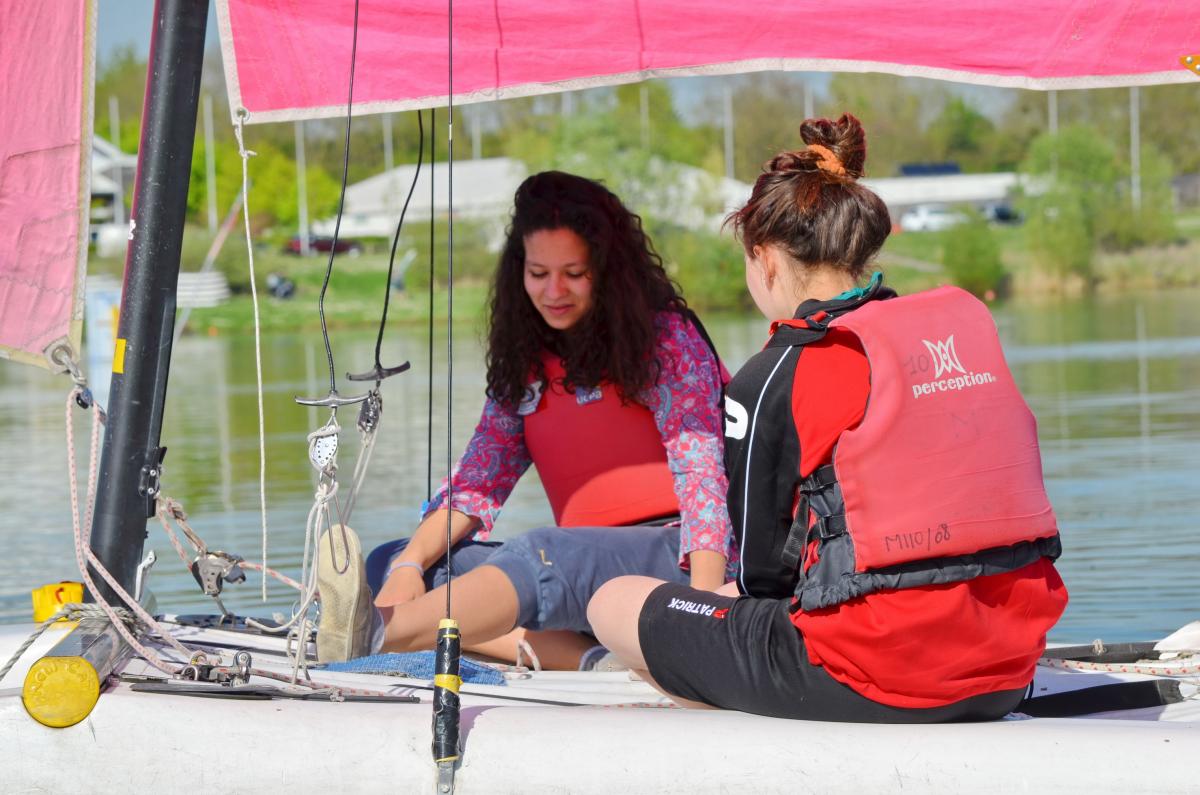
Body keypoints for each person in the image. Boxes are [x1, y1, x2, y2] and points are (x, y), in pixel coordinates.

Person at [587, 114, 1068, 721]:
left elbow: (762, 576)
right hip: (1005, 669)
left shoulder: (773, 375)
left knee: (613, 602)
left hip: (870, 677)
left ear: (764, 259)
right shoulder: (936, 342)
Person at [317, 171, 731, 667]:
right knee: (398, 561)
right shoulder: (527, 363)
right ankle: (593, 662)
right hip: (581, 568)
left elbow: (704, 480)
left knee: (541, 554)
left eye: (573, 273)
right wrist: (409, 564)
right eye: (538, 273)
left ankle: (374, 635)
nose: (554, 290)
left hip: (680, 559)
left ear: (608, 270)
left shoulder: (666, 341)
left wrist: (705, 613)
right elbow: (477, 482)